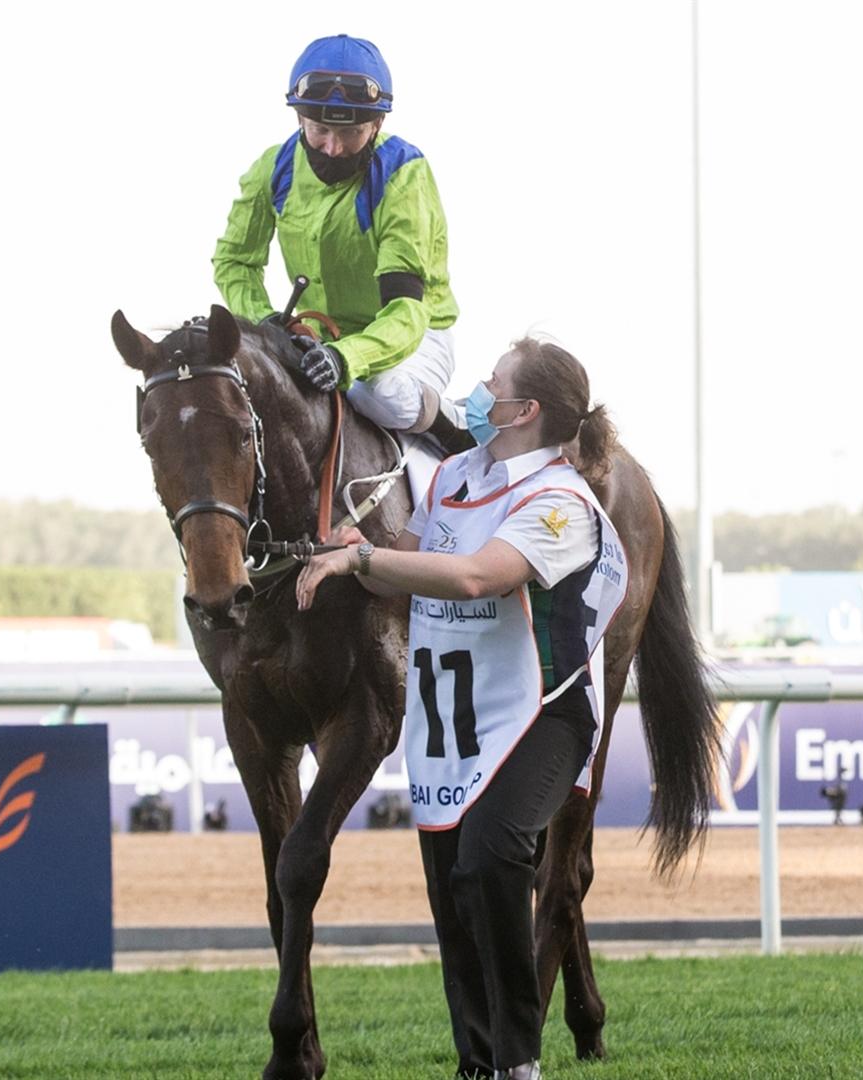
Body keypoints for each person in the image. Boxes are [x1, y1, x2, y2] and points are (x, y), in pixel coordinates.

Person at [295, 338, 628, 1080]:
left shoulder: (560, 501)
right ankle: (477, 1064)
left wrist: (365, 560)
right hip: (454, 725)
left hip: (545, 715)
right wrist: (355, 547)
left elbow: (479, 577)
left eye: (493, 383)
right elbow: (401, 575)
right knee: (455, 891)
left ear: (524, 410)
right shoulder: (451, 474)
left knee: (489, 857)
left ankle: (518, 1062)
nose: (479, 391)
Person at [213, 34, 466, 442]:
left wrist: (346, 356)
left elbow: (406, 310)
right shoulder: (271, 169)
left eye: (350, 134)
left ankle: (456, 427)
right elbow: (234, 262)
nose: (332, 148)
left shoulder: (404, 174)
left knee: (373, 391)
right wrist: (265, 321)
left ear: (378, 123)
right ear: (300, 120)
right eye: (320, 130)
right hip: (319, 339)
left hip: (414, 337)